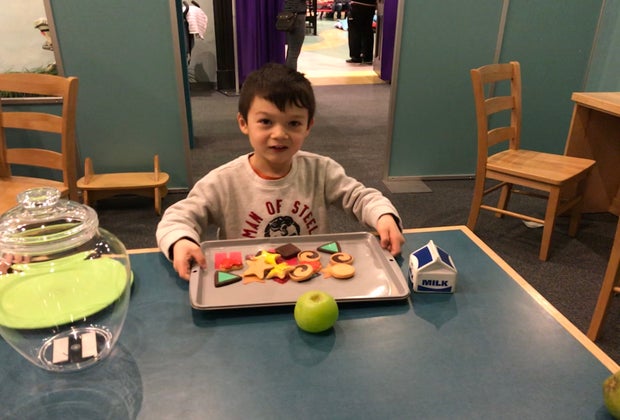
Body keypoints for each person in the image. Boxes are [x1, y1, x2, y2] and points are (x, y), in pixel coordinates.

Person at [156, 63, 405, 280]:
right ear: (244, 123)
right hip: (247, 283)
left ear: (308, 126)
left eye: (293, 123)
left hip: (311, 277)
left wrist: (383, 216)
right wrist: (181, 240)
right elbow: (177, 218)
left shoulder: (321, 170)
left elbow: (361, 197)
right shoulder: (223, 181)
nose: (279, 134)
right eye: (266, 122)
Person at [283, 0, 308, 70]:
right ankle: (291, 75)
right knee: (293, 53)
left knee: (291, 51)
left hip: (289, 14)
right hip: (297, 16)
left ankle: (287, 74)